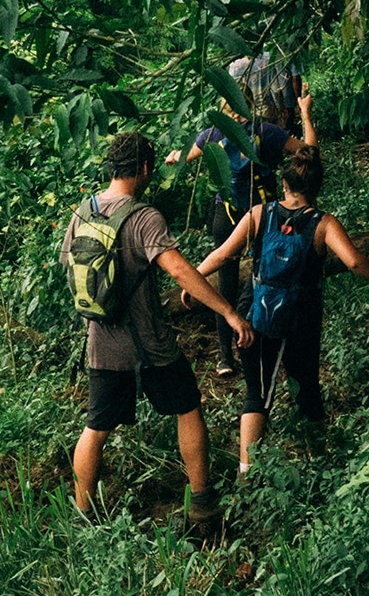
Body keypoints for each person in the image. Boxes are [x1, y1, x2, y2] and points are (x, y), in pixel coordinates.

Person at [62, 132, 255, 522]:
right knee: (188, 407)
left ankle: (83, 514)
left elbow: (71, 267)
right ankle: (201, 502)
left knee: (96, 426)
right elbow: (181, 272)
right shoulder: (143, 217)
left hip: (101, 343)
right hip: (150, 344)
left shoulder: (83, 210)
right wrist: (229, 312)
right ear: (146, 168)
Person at [194, 145, 369, 470]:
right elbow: (354, 261)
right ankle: (316, 462)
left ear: (285, 185)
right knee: (306, 388)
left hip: (257, 318)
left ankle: (247, 475)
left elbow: (223, 255)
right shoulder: (323, 223)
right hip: (301, 321)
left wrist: (192, 280)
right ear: (317, 188)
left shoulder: (259, 214)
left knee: (256, 396)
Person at [165, 86, 317, 375]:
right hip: (264, 217)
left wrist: (173, 156)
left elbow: (184, 157)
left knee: (227, 282)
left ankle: (225, 357)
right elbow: (309, 152)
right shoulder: (266, 131)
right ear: (249, 104)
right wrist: (306, 115)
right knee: (266, 275)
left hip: (228, 213)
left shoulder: (212, 134)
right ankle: (264, 342)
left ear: (223, 107)